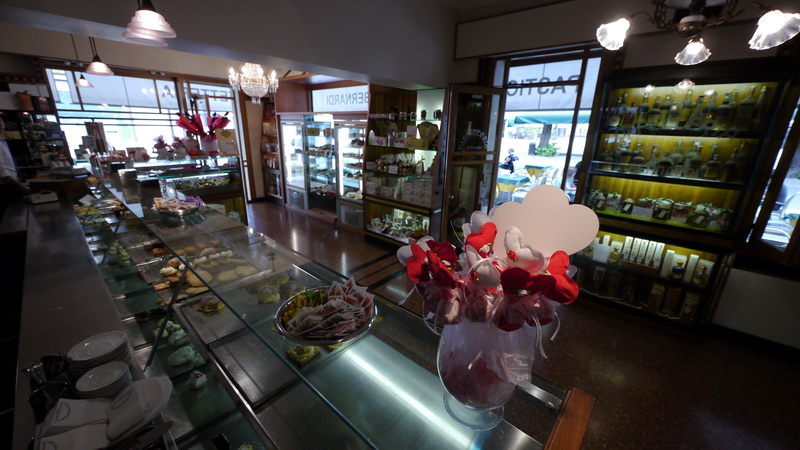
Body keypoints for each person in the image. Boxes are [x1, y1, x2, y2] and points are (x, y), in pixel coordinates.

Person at [1, 117, 30, 217]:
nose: (1, 125)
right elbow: (2, 173)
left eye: (1, 122)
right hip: (5, 187)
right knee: (10, 217)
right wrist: (20, 185)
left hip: (9, 185)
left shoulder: (2, 141)